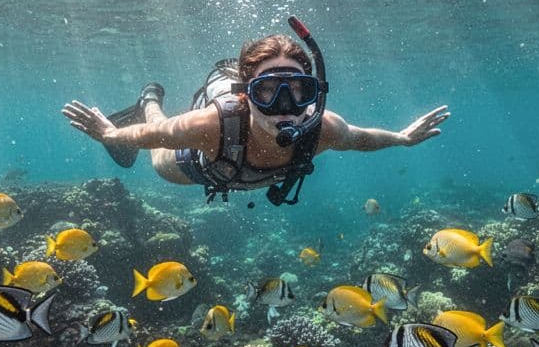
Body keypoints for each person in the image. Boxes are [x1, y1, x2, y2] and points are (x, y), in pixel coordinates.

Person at [62, 18, 449, 206]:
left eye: (298, 91)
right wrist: (110, 134)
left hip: (239, 172)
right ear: (247, 96)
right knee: (159, 146)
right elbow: (153, 135)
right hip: (194, 169)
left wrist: (402, 138)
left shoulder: (322, 128)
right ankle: (148, 97)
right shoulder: (212, 125)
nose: (284, 106)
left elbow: (362, 139)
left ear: (313, 93)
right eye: (267, 90)